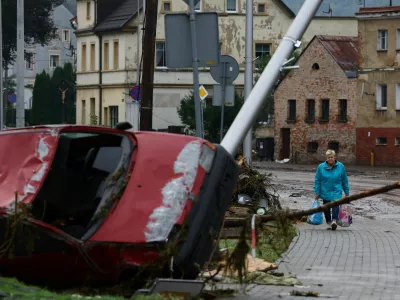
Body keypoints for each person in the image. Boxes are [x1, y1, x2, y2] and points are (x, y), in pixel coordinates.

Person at [314, 149, 350, 230]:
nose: (330, 159)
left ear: (335, 157)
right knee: (326, 208)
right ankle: (329, 222)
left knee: (335, 205)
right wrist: (317, 192)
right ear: (326, 158)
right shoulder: (321, 167)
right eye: (329, 157)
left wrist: (347, 193)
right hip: (325, 191)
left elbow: (345, 180)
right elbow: (317, 180)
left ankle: (334, 220)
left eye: (332, 157)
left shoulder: (340, 166)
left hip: (336, 191)